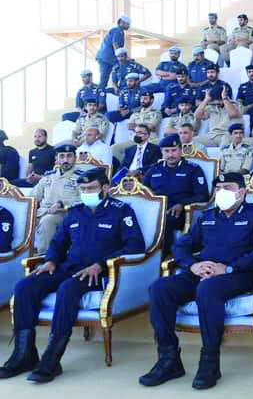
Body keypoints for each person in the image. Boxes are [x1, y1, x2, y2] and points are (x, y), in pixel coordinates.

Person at [0, 168, 144, 383]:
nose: (86, 192)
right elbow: (59, 242)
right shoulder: (76, 211)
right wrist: (50, 260)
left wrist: (101, 264)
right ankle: (24, 354)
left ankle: (52, 359)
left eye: (91, 188)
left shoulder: (121, 211)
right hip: (69, 266)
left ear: (105, 188)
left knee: (68, 288)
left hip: (98, 272)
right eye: (83, 189)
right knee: (25, 286)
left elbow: (135, 244)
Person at [139, 172, 253, 390]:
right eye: (219, 188)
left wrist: (230, 267)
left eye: (228, 187)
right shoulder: (208, 216)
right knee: (159, 288)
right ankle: (169, 359)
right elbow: (181, 246)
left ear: (242, 191)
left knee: (208, 289)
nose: (222, 192)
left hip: (238, 275)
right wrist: (192, 265)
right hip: (202, 272)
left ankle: (210, 361)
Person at [143, 135, 210, 256]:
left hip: (179, 213)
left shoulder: (193, 169)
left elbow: (203, 195)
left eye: (174, 150)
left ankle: (163, 257)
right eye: (166, 151)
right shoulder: (154, 169)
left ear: (181, 150)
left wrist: (182, 204)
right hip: (155, 210)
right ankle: (137, 255)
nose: (170, 155)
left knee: (165, 220)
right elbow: (144, 191)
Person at [30, 145, 82, 255]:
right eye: (62, 156)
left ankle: (45, 257)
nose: (65, 160)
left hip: (65, 214)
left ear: (75, 158)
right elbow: (33, 196)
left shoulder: (81, 178)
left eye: (69, 156)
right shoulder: (48, 176)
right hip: (42, 212)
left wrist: (61, 204)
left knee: (47, 221)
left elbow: (84, 201)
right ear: (56, 159)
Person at [194, 81, 241, 147]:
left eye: (219, 99)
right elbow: (197, 115)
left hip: (227, 135)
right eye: (215, 99)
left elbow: (233, 114)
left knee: (225, 144)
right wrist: (206, 100)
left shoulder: (235, 105)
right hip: (212, 136)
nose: (217, 101)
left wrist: (224, 98)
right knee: (192, 141)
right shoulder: (212, 106)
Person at [96, 16, 130, 89]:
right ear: (121, 23)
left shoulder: (118, 31)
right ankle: (120, 88)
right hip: (108, 57)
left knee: (104, 78)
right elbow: (115, 44)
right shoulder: (117, 31)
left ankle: (100, 93)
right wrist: (123, 57)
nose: (129, 26)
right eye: (127, 24)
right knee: (121, 68)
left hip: (103, 57)